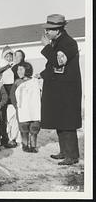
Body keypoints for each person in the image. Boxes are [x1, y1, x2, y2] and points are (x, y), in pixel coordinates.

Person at [37, 14, 82, 165]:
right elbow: (52, 66)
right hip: (59, 90)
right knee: (60, 122)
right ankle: (64, 152)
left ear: (58, 30)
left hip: (67, 91)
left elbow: (58, 61)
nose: (46, 33)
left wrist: (45, 46)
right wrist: (42, 74)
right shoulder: (57, 42)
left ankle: (72, 156)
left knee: (68, 123)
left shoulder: (68, 43)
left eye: (49, 30)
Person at [10, 62, 41, 153]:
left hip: (34, 108)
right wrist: (16, 105)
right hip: (22, 109)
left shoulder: (34, 81)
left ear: (27, 70)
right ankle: (25, 144)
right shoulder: (17, 82)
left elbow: (40, 92)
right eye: (18, 69)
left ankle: (33, 145)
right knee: (24, 127)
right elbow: (12, 95)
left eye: (21, 69)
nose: (18, 71)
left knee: (34, 127)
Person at [0, 45, 16, 148]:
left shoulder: (15, 66)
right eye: (7, 56)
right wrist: (6, 67)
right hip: (3, 92)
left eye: (11, 56)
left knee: (13, 117)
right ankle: (4, 138)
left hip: (12, 92)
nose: (9, 58)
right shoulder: (0, 66)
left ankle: (13, 138)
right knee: (2, 117)